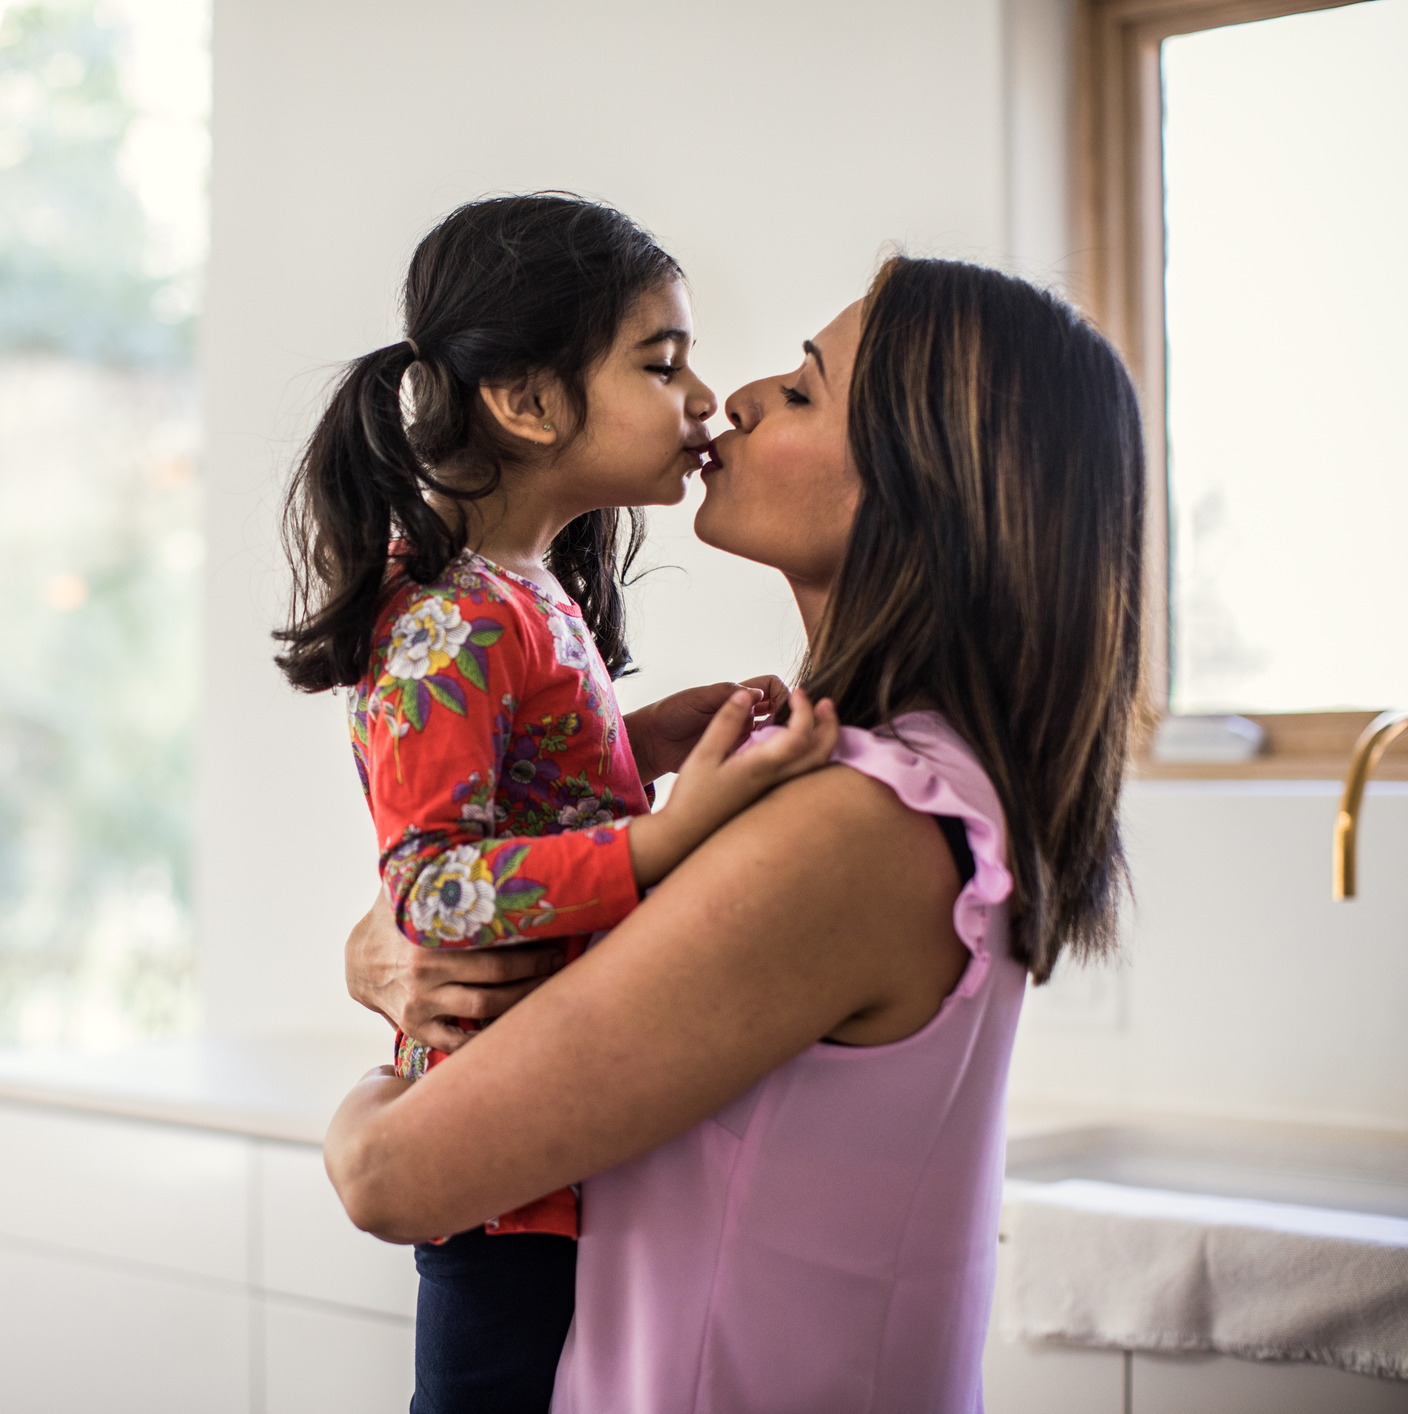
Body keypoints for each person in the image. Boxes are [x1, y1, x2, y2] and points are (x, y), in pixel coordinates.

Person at [325, 255, 1146, 1413]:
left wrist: (372, 1087)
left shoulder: (852, 828)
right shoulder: (892, 785)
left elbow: (391, 1176)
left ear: (922, 492)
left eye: (804, 391)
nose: (736, 399)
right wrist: (392, 943)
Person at [272, 193, 838, 1414]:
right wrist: (663, 833)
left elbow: (519, 809)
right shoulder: (444, 620)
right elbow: (433, 885)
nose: (704, 399)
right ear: (526, 402)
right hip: (500, 1164)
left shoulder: (520, 591)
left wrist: (649, 744)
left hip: (557, 1132)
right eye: (662, 361)